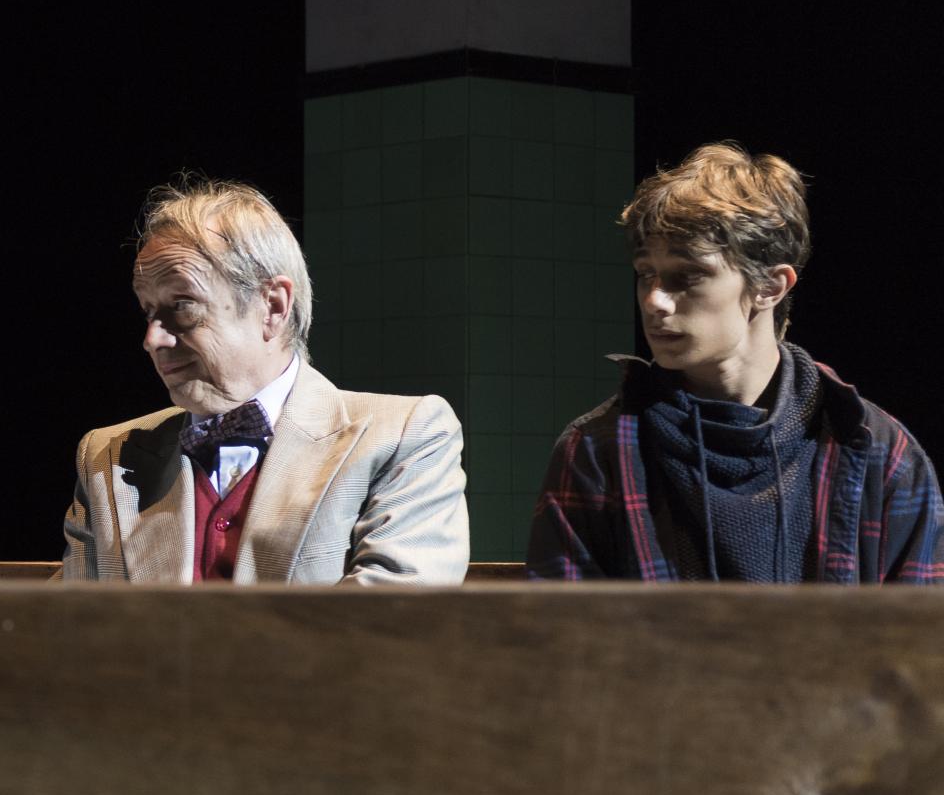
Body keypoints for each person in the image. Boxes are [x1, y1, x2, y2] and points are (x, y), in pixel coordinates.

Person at [527, 142, 943, 582]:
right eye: (646, 274)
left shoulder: (876, 450)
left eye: (687, 276)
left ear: (770, 287)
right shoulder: (599, 451)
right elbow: (562, 624)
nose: (654, 301)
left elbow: (919, 622)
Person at [60, 177, 469, 584]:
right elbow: (69, 619)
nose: (152, 339)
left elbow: (395, 614)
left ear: (272, 306)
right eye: (148, 311)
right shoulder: (108, 457)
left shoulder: (403, 436)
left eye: (182, 305)